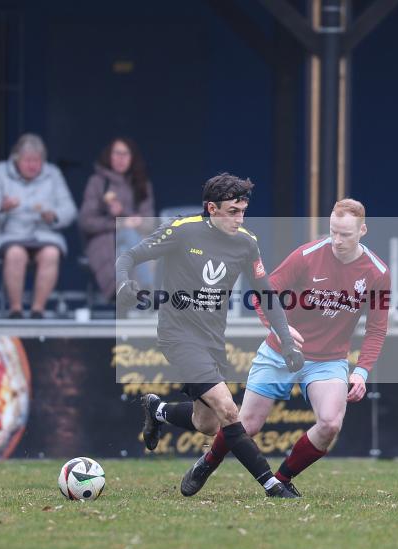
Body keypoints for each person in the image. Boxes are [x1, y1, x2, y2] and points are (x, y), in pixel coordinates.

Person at [178, 199, 390, 497]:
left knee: (330, 424)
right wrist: (281, 328)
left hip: (328, 361)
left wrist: (362, 371)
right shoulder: (306, 256)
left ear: (363, 230)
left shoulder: (377, 272)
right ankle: (209, 461)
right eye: (333, 232)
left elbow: (377, 328)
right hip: (280, 352)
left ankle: (281, 479)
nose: (338, 241)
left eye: (346, 234)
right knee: (246, 425)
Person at [115, 173, 305, 498]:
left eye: (243, 211)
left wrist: (286, 339)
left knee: (209, 423)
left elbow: (266, 294)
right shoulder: (182, 230)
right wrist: (123, 284)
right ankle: (271, 485)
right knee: (229, 411)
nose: (239, 218)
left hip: (213, 340)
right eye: (233, 211)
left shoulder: (247, 243)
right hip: (178, 335)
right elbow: (128, 256)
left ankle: (158, 411)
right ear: (211, 208)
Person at [0, 133, 77, 318]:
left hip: (44, 235)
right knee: (16, 253)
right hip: (8, 236)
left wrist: (53, 216)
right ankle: (16, 310)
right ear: (16, 159)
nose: (33, 165)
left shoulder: (53, 174)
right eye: (28, 160)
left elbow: (69, 210)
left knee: (51, 253)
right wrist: (1, 208)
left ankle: (38, 310)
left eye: (37, 161)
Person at [79, 137, 156, 301]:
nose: (121, 158)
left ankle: (124, 297)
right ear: (109, 156)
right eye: (117, 153)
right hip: (105, 238)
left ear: (132, 158)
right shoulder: (98, 182)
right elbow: (86, 221)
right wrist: (119, 222)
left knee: (125, 251)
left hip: (132, 242)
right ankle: (148, 288)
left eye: (126, 154)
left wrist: (134, 219)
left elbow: (150, 223)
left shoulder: (141, 183)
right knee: (128, 236)